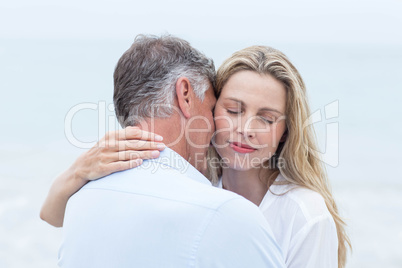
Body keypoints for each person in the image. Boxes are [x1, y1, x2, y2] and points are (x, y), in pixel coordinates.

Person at [41, 40, 351, 267]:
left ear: (286, 131)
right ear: (209, 110)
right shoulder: (197, 188)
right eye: (233, 110)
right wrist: (77, 172)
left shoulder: (305, 215)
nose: (246, 128)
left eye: (267, 119)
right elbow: (67, 217)